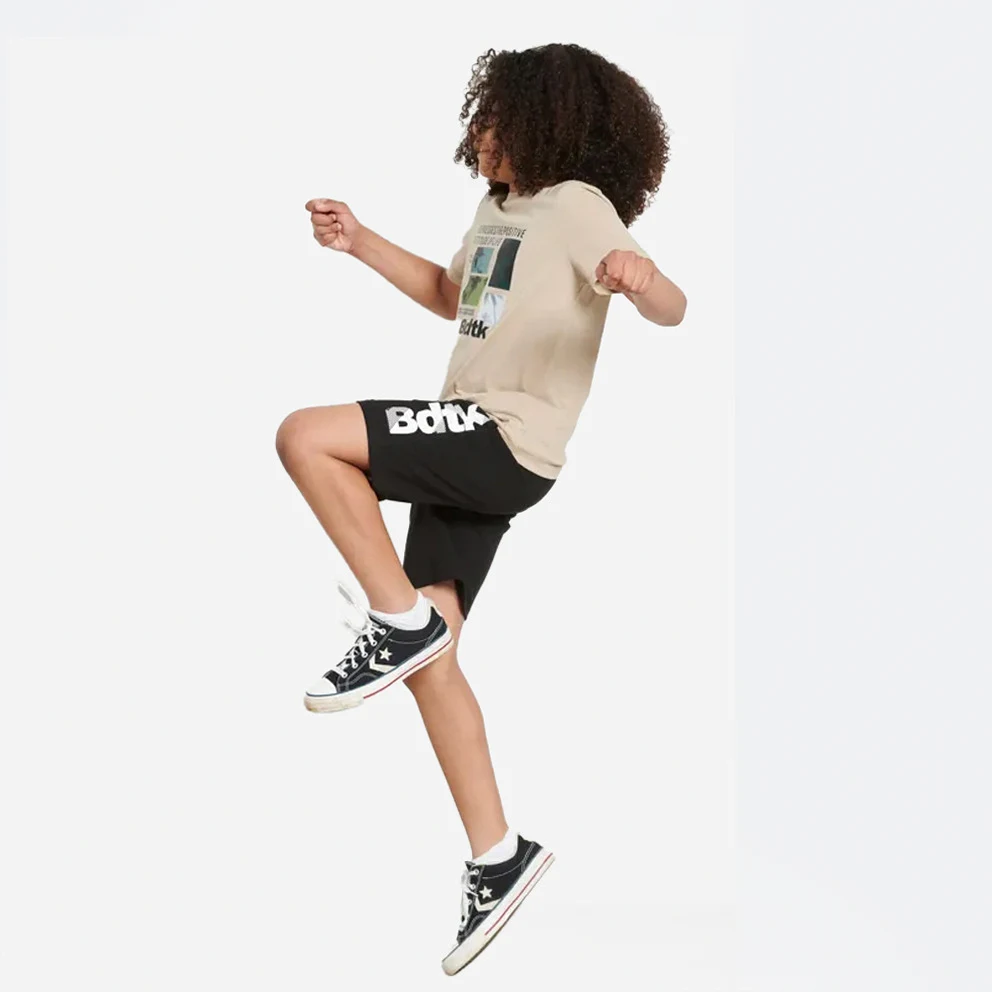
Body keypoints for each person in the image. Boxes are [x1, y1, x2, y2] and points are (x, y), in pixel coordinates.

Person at [276, 42, 687, 976]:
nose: (480, 135)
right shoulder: (496, 209)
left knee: (306, 436)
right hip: (469, 444)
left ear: (549, 124)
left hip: (502, 438)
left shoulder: (577, 207)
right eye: (480, 119)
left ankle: (394, 620)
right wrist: (359, 240)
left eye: (496, 120)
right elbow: (450, 294)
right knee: (436, 663)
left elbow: (674, 306)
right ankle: (498, 857)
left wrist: (639, 279)